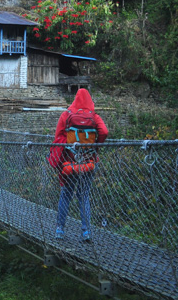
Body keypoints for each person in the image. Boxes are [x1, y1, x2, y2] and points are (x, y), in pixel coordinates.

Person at [53, 88, 108, 242]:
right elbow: (104, 131)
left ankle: (60, 230)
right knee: (84, 196)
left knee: (66, 194)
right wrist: (96, 146)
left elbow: (58, 137)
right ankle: (86, 232)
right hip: (88, 163)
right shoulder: (94, 117)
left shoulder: (67, 115)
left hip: (70, 163)